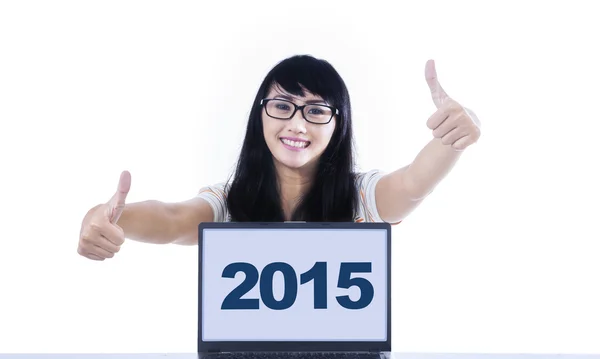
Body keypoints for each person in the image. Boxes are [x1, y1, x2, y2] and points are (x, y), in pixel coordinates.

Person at [77, 55, 481, 261]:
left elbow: (413, 184)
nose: (298, 125)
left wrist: (456, 135)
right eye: (283, 106)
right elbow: (171, 219)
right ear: (261, 113)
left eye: (317, 110)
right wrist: (107, 218)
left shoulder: (363, 198)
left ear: (338, 125)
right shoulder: (228, 204)